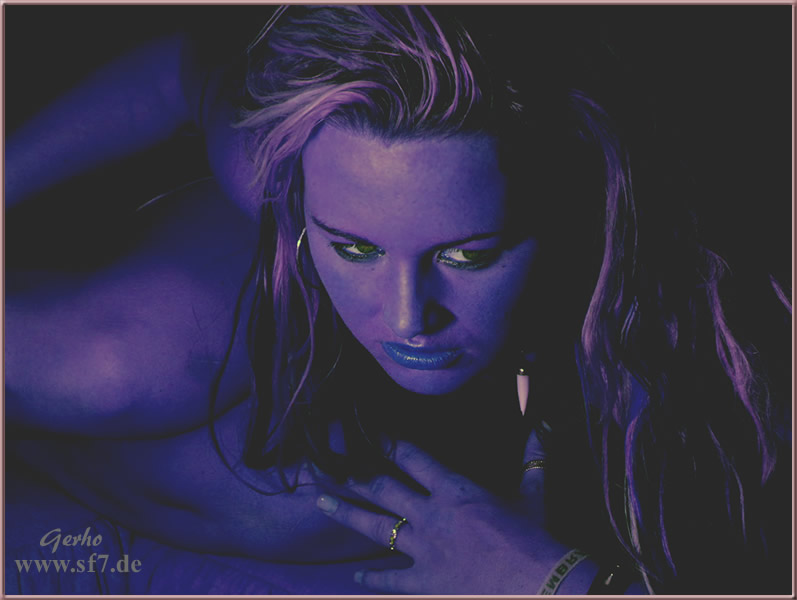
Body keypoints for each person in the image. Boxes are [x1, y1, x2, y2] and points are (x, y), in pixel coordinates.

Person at [5, 5, 791, 595]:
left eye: (470, 255)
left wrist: (552, 582)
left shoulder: (716, 341)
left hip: (536, 400)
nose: (411, 318)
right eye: (355, 248)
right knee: (109, 366)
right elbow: (182, 68)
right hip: (236, 316)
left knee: (302, 509)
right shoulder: (291, 157)